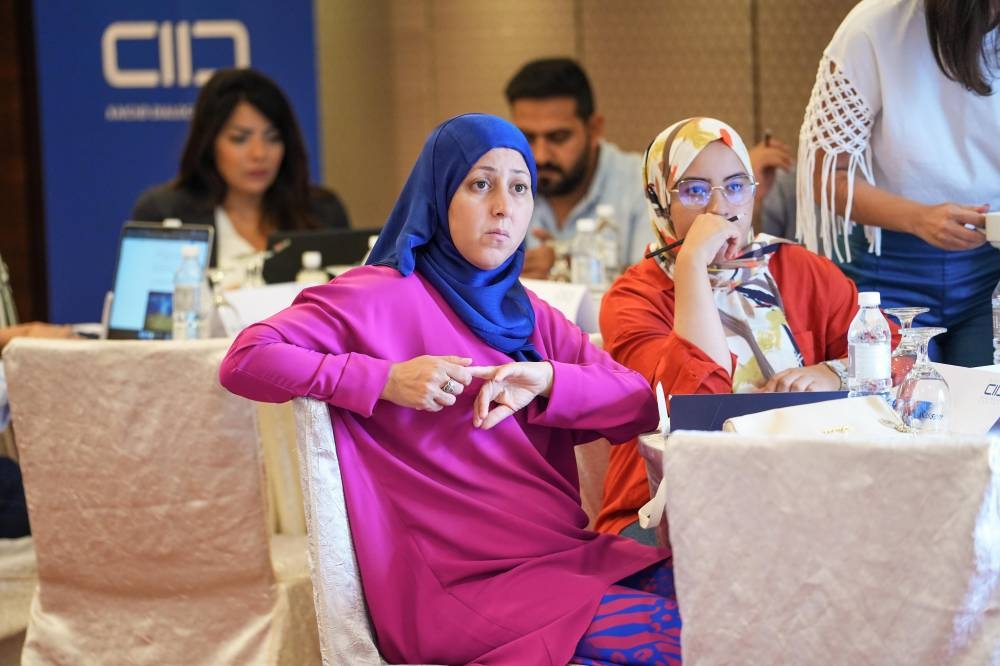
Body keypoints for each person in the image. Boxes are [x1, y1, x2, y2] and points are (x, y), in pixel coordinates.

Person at [220, 113, 683, 665]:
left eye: (519, 188)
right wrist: (386, 379)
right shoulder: (377, 294)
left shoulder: (529, 314)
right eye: (480, 184)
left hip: (555, 558)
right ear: (438, 196)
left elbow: (637, 404)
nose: (503, 207)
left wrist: (548, 380)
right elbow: (246, 358)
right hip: (453, 587)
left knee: (729, 601)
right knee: (688, 637)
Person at [595, 117, 879, 545]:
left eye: (735, 186)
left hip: (804, 486)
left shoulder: (797, 268)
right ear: (660, 201)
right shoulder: (634, 298)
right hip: (669, 504)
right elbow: (693, 411)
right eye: (694, 190)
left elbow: (891, 349)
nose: (721, 208)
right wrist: (692, 266)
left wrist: (833, 372)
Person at [797, 0, 1000, 365]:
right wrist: (919, 218)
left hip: (991, 275)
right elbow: (826, 175)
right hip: (888, 271)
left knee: (987, 394)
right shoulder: (874, 27)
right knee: (895, 394)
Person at [132, 68, 349, 286]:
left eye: (273, 138)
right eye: (239, 139)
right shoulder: (165, 213)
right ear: (209, 143)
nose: (259, 154)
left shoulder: (322, 211)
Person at [505, 58, 650, 278]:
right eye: (527, 137)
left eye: (558, 137)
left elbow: (657, 285)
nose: (540, 156)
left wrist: (568, 267)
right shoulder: (505, 180)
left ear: (594, 129)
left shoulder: (644, 181)